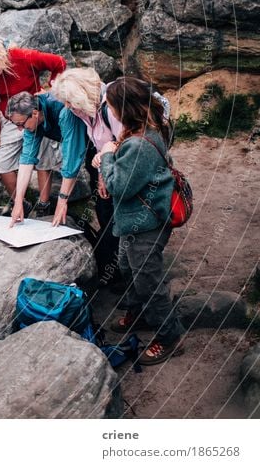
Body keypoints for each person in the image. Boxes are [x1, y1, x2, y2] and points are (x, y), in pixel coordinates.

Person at [93, 77, 185, 365]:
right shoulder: (140, 131)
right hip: (134, 220)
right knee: (126, 266)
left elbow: (121, 186)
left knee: (148, 281)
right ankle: (139, 313)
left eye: (109, 106)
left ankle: (169, 336)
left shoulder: (140, 144)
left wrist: (107, 157)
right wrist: (110, 158)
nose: (107, 111)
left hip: (146, 224)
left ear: (124, 108)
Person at [0, 34, 67, 217]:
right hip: (9, 118)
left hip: (34, 112)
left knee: (43, 160)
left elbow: (59, 63)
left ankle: (44, 204)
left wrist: (51, 90)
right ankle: (19, 202)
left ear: (1, 57)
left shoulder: (24, 57)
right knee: (2, 163)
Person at [50, 68, 122, 286]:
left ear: (80, 95)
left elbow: (127, 143)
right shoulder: (85, 111)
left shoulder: (112, 106)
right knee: (104, 213)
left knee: (116, 224)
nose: (67, 107)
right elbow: (101, 145)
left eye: (69, 102)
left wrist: (107, 165)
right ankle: (113, 272)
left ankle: (120, 276)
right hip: (108, 171)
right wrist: (101, 176)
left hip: (125, 173)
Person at [5, 92, 87, 228]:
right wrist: (18, 201)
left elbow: (71, 159)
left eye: (21, 124)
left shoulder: (63, 110)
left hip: (97, 141)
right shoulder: (31, 123)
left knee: (105, 198)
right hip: (78, 139)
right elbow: (26, 160)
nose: (20, 129)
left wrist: (62, 202)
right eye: (16, 125)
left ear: (35, 113)